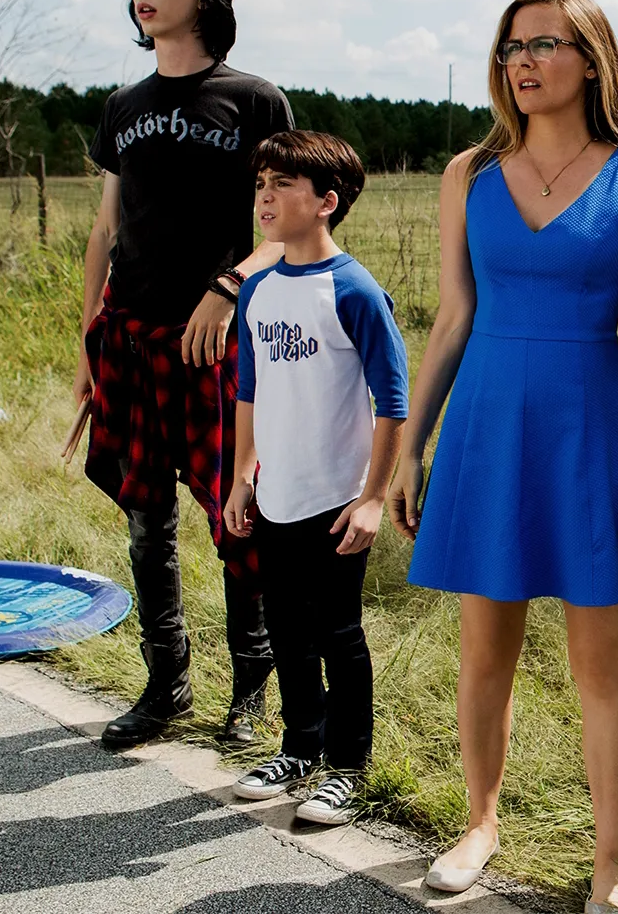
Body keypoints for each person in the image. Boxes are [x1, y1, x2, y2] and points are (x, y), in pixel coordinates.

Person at [388, 0, 618, 914]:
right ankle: (480, 824)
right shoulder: (468, 174)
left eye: (546, 44)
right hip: (486, 427)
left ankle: (609, 866)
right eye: (513, 46)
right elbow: (452, 318)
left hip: (591, 432)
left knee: (602, 665)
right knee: (486, 652)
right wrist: (409, 449)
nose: (523, 61)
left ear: (591, 61)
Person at [77, 0, 296, 749]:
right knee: (145, 522)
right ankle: (165, 686)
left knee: (239, 517)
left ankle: (251, 694)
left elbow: (288, 225)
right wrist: (86, 350)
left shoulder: (253, 100)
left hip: (217, 347)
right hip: (128, 342)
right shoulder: (122, 108)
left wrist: (228, 287)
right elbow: (106, 231)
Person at [221, 130, 408, 825]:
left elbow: (394, 402)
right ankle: (300, 747)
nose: (265, 197)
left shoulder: (354, 289)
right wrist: (242, 477)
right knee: (287, 629)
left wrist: (372, 499)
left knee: (337, 633)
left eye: (283, 185)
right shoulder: (257, 290)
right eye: (260, 185)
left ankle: (348, 768)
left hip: (336, 500)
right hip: (276, 496)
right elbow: (248, 392)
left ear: (327, 201)